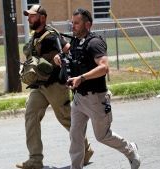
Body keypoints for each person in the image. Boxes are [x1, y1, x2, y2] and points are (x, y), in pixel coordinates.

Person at [54, 8, 141, 169]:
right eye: (72, 23)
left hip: (96, 99)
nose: (73, 26)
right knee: (75, 135)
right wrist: (59, 58)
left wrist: (82, 78)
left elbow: (104, 67)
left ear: (88, 24)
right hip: (79, 98)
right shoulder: (75, 41)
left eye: (76, 23)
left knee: (102, 136)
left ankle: (131, 150)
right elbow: (67, 54)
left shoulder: (94, 43)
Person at [16, 5, 94, 169]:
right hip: (39, 87)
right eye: (28, 16)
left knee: (66, 119)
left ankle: (85, 150)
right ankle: (35, 160)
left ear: (42, 18)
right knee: (31, 115)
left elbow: (69, 50)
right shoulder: (35, 36)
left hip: (55, 86)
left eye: (32, 16)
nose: (29, 19)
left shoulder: (51, 36)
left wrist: (61, 56)